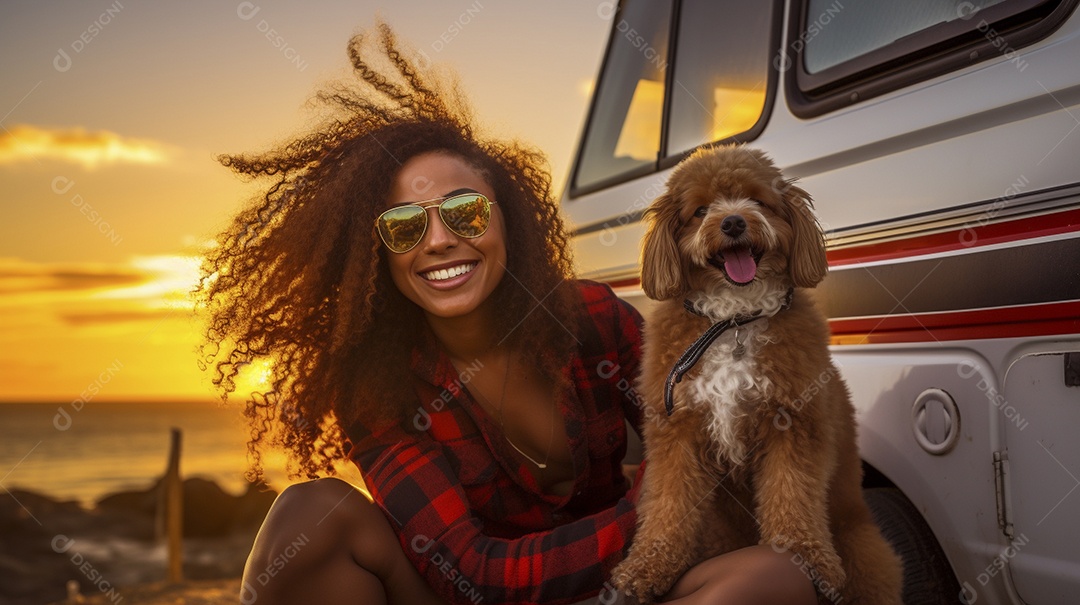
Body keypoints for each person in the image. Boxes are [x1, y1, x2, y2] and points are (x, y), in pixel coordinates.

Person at [198, 23, 817, 605]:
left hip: (623, 588)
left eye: (465, 212)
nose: (438, 241)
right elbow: (471, 571)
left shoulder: (593, 318)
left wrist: (670, 510)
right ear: (375, 257)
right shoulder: (376, 384)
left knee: (778, 575)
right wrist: (664, 507)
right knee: (310, 516)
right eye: (404, 227)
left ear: (508, 221)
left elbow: (705, 441)